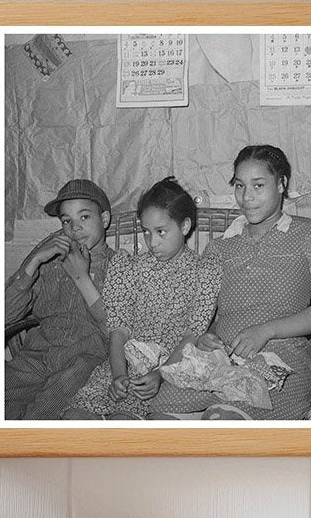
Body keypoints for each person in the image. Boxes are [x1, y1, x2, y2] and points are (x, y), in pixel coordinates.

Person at [150, 145, 311, 420]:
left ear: (281, 184)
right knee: (158, 422)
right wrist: (207, 336)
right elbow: (207, 314)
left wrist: (267, 331)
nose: (246, 197)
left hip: (278, 360)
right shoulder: (219, 248)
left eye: (258, 185)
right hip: (219, 361)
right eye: (240, 186)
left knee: (221, 422)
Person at [65, 178, 221, 420]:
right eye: (146, 232)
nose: (152, 242)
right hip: (122, 365)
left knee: (123, 424)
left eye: (161, 232)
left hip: (169, 367)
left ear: (185, 226)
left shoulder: (204, 272)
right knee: (76, 419)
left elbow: (193, 335)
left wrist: (161, 374)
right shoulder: (128, 268)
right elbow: (118, 330)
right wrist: (118, 374)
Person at [4, 178, 122, 420]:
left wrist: (82, 276)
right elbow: (2, 316)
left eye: (85, 217)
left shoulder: (121, 267)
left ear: (105, 220)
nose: (74, 228)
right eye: (67, 221)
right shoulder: (49, 263)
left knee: (46, 410)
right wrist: (35, 260)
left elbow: (119, 331)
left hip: (85, 361)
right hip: (37, 357)